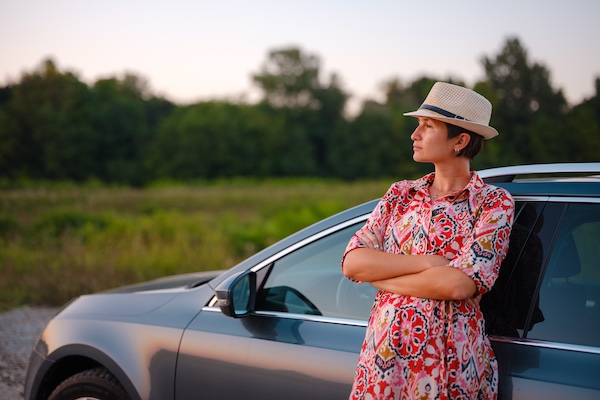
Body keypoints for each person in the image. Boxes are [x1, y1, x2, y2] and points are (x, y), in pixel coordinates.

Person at [342, 82, 515, 400]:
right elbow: (353, 262)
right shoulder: (399, 194)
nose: (414, 135)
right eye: (418, 125)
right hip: (383, 366)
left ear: (460, 140)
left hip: (450, 369)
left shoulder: (492, 203)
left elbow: (458, 286)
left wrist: (381, 279)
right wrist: (428, 263)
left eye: (428, 126)